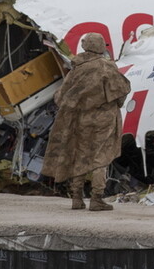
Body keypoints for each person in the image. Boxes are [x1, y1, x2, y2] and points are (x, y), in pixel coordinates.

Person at [42, 32, 131, 211]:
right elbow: (121, 91)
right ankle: (96, 198)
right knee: (100, 158)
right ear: (100, 47)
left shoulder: (76, 69)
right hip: (103, 119)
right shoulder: (106, 67)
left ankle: (77, 198)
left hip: (81, 120)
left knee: (81, 157)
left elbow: (60, 97)